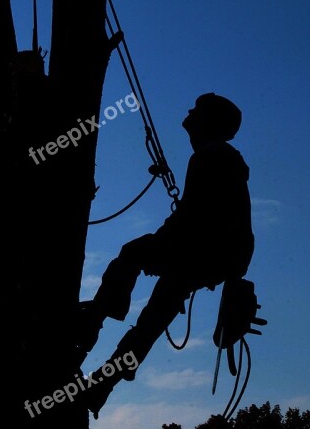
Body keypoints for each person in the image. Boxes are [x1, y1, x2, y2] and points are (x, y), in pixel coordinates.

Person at [77, 92, 255, 418]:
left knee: (132, 253)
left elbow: (193, 217)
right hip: (225, 255)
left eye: (197, 110)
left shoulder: (208, 157)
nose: (189, 111)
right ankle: (106, 381)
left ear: (208, 122)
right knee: (158, 312)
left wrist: (160, 248)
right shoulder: (223, 157)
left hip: (206, 248)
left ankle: (92, 324)